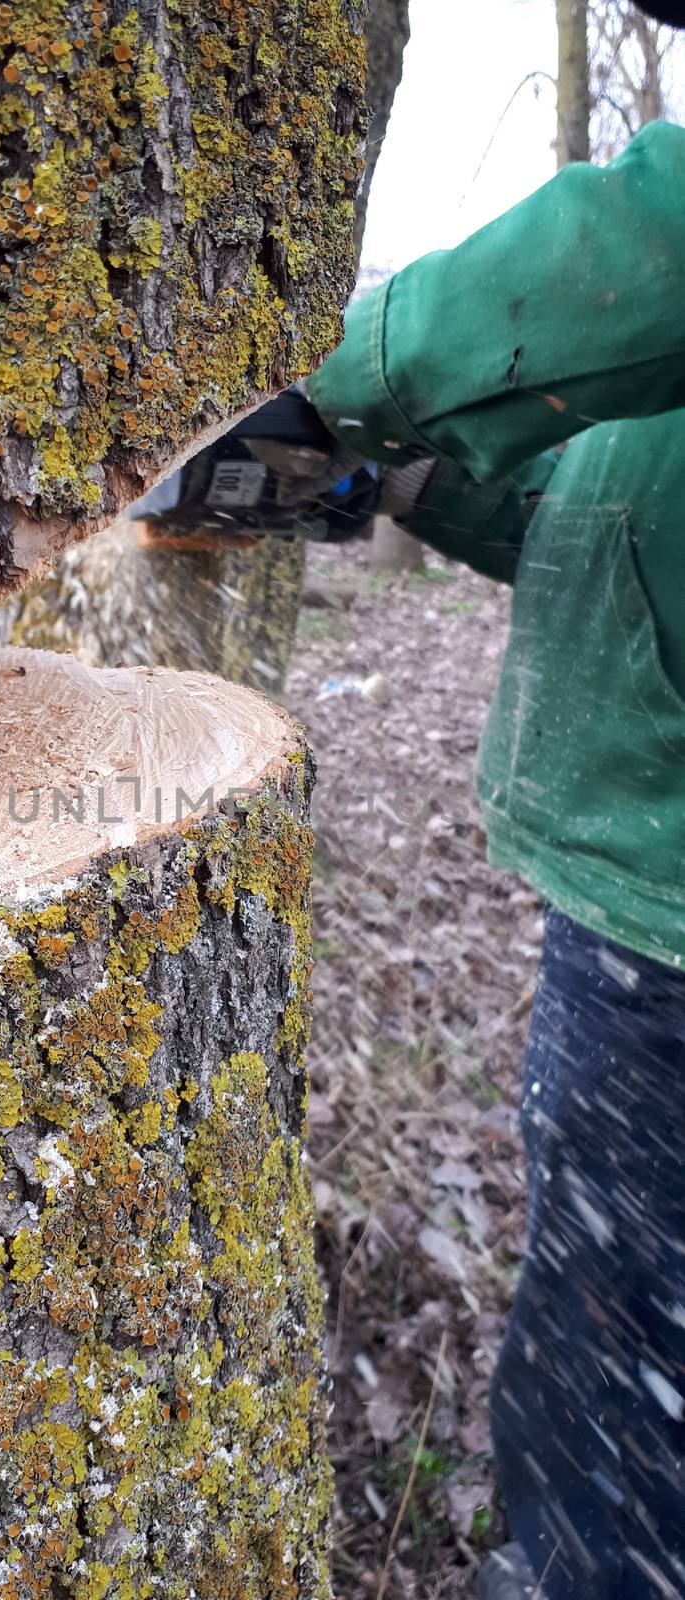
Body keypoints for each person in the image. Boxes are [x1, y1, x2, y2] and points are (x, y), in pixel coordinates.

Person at [305, 6, 685, 1596]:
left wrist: (365, 381)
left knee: (624, 1372)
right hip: (625, 905)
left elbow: (635, 250)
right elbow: (605, 507)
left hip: (665, 940)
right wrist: (401, 479)